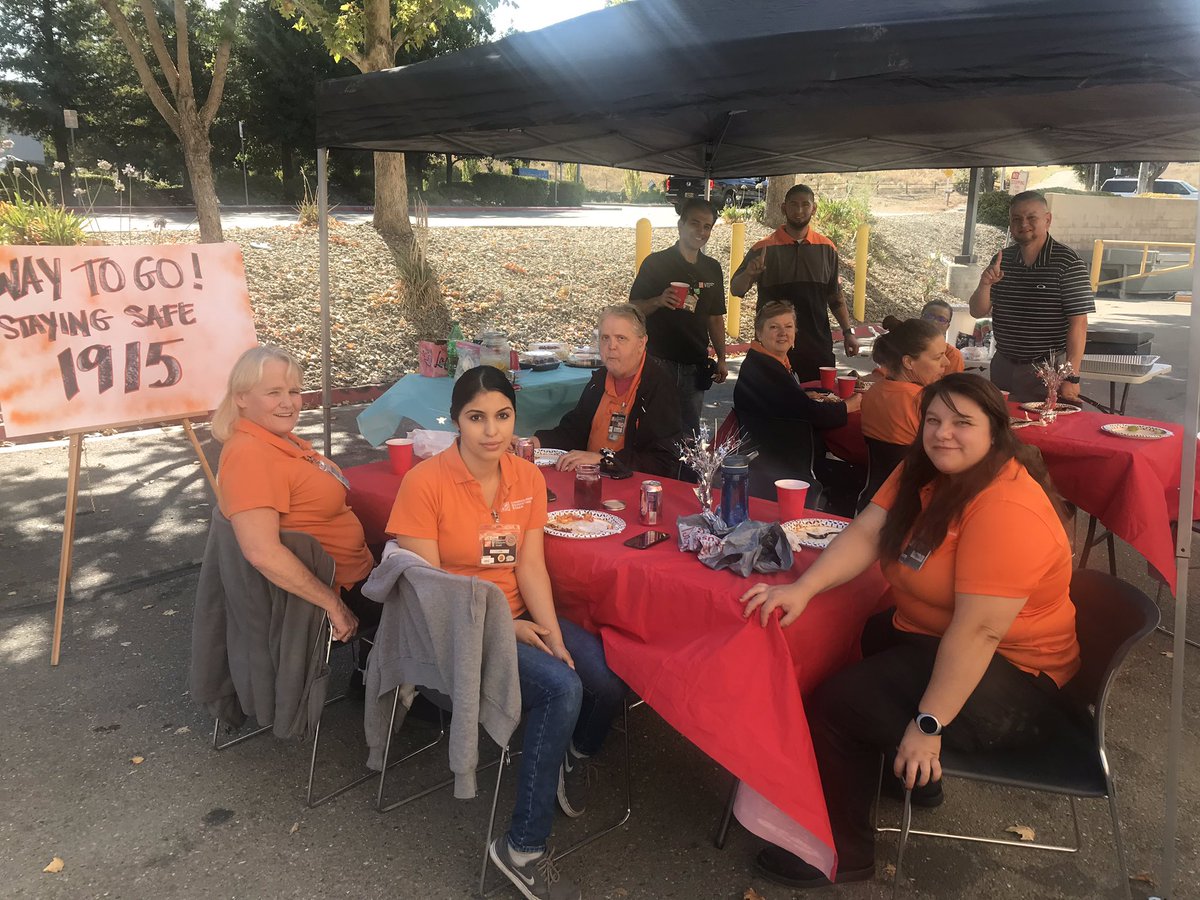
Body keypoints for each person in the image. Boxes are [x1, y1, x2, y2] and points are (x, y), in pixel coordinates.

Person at [739, 373, 1079, 889]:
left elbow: (981, 632)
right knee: (846, 647)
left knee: (838, 704)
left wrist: (928, 726)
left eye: (963, 423)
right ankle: (915, 782)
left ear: (996, 431)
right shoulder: (924, 470)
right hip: (934, 640)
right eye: (935, 420)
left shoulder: (1007, 506)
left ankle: (841, 854)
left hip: (1018, 679)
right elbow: (869, 531)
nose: (944, 433)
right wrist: (804, 589)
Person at [386, 365, 625, 900]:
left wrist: (551, 632)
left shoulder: (527, 477)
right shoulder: (425, 483)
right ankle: (521, 849)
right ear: (455, 421)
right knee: (562, 689)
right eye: (476, 418)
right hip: (460, 627)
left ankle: (567, 753)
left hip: (517, 615)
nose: (491, 431)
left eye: (502, 416)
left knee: (606, 676)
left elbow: (530, 566)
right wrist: (510, 627)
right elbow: (431, 589)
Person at [212, 345, 375, 647]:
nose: (288, 403)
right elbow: (262, 552)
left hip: (354, 571)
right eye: (273, 393)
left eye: (294, 391)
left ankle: (371, 670)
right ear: (241, 397)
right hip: (339, 590)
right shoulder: (249, 455)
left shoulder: (276, 439)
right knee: (437, 595)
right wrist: (333, 605)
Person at [969, 190, 1094, 402]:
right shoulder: (1003, 259)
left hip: (1046, 368)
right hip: (1003, 364)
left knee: (1044, 427)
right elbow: (977, 311)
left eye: (1031, 218)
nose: (1023, 224)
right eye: (1016, 219)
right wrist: (985, 284)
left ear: (1048, 220)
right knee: (1001, 427)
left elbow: (1079, 324)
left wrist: (1071, 376)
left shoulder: (1068, 262)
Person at [530, 304, 683, 478]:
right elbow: (573, 431)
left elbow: (663, 461)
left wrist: (604, 460)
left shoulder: (658, 385)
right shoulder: (601, 379)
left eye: (621, 338)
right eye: (605, 338)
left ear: (641, 343)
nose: (611, 346)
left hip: (630, 486)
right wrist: (535, 443)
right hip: (589, 478)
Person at [730, 183, 859, 381]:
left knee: (820, 402)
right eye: (793, 205)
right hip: (774, 345)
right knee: (774, 407)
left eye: (805, 205)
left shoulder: (827, 248)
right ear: (784, 208)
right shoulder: (763, 248)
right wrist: (749, 273)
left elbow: (835, 296)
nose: (799, 211)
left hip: (816, 344)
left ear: (813, 208)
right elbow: (736, 289)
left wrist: (848, 331)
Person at [628, 197, 729, 434]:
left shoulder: (712, 267)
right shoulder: (656, 263)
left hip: (695, 364)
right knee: (653, 427)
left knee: (689, 433)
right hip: (658, 360)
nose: (701, 231)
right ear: (681, 224)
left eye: (707, 226)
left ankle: (685, 473)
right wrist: (658, 300)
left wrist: (722, 357)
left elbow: (715, 317)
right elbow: (632, 308)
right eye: (695, 223)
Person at [860, 318, 947, 446]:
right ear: (908, 362)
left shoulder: (871, 393)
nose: (947, 362)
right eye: (938, 357)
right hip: (916, 466)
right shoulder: (925, 401)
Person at [920, 299, 965, 374]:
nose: (934, 322)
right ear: (921, 319)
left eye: (941, 319)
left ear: (947, 327)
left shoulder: (952, 355)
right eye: (929, 316)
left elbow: (951, 384)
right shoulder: (903, 345)